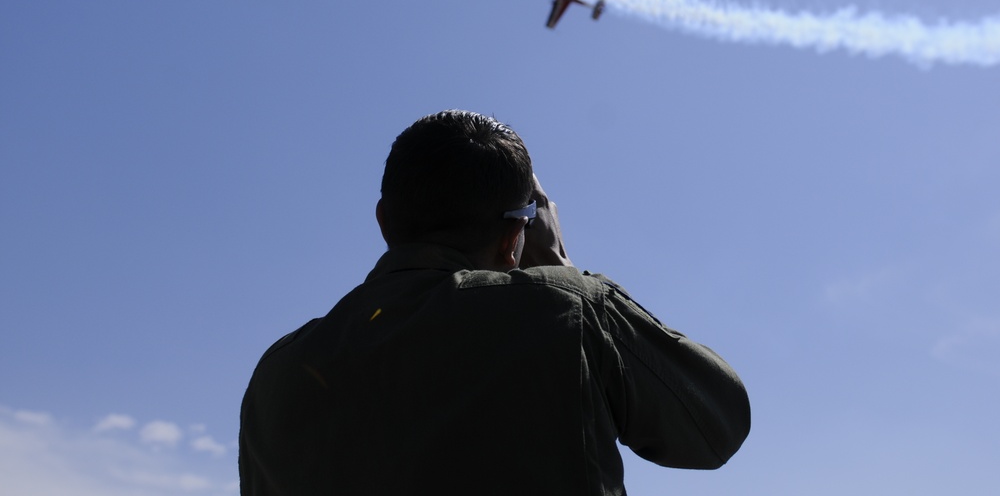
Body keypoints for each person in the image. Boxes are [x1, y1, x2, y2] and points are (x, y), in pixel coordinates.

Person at [239, 110, 750, 495]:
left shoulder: (278, 371)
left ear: (384, 223)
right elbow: (716, 427)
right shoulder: (566, 308)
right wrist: (560, 270)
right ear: (515, 234)